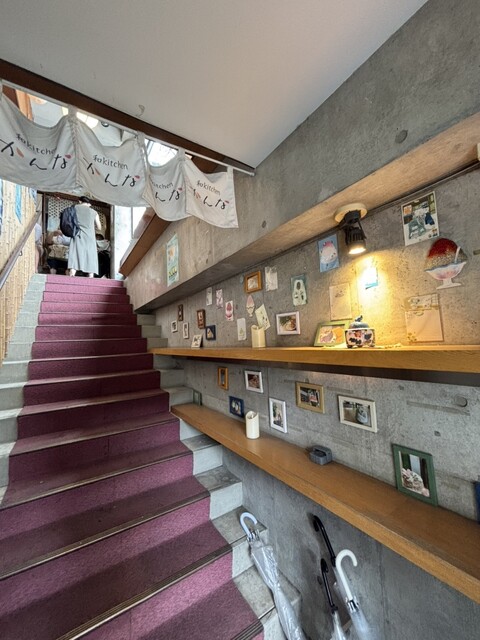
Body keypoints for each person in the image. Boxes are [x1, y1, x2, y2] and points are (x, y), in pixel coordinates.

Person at [68, 196, 101, 278]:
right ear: (89, 203)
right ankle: (91, 275)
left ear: (80, 201)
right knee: (90, 254)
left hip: (77, 234)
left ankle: (72, 272)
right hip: (89, 237)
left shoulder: (73, 208)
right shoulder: (94, 212)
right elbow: (99, 227)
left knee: (75, 253)